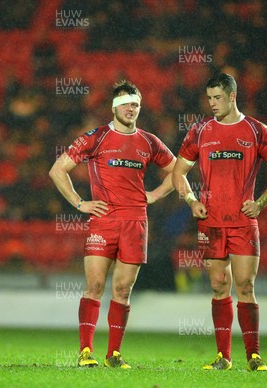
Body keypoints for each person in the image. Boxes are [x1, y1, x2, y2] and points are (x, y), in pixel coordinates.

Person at [49, 80, 176, 368]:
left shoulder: (149, 141)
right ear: (114, 107)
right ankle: (85, 352)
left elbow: (178, 170)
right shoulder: (96, 137)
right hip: (103, 221)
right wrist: (80, 203)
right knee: (94, 285)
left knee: (122, 290)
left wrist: (155, 195)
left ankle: (114, 355)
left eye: (136, 104)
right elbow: (58, 170)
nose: (131, 109)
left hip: (135, 222)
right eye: (126, 104)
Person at [172, 73, 267, 372]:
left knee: (245, 286)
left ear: (233, 96)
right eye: (209, 98)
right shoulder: (200, 130)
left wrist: (260, 203)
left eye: (218, 98)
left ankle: (254, 356)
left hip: (242, 222)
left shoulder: (256, 130)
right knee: (218, 284)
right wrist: (192, 201)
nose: (212, 104)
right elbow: (178, 172)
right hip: (210, 222)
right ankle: (223, 357)